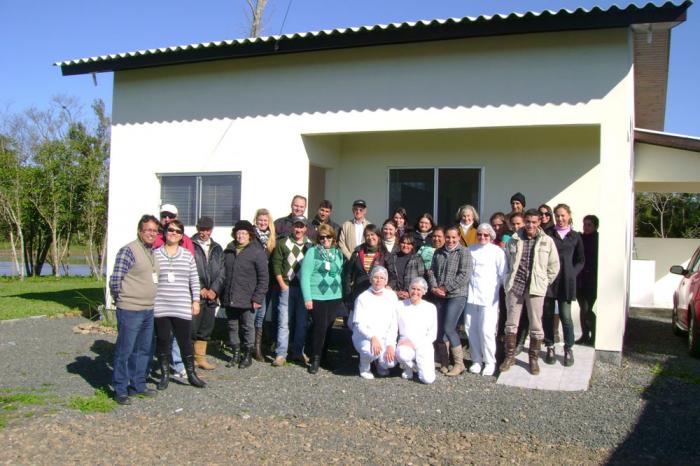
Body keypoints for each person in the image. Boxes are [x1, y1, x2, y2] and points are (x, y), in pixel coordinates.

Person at [499, 209, 560, 376]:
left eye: (534, 222)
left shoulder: (547, 241)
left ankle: (533, 359)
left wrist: (544, 282)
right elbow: (506, 263)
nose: (531, 225)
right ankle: (509, 357)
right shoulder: (514, 240)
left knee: (536, 325)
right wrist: (507, 281)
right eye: (528, 222)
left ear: (539, 222)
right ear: (524, 221)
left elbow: (554, 266)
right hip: (516, 286)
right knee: (511, 324)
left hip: (535, 289)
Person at [109, 214, 161, 405]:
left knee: (144, 350)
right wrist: (121, 299)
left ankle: (138, 385)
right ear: (140, 231)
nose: (151, 233)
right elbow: (115, 280)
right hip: (130, 309)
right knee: (125, 350)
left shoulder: (152, 251)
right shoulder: (129, 250)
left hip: (148, 309)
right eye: (148, 230)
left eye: (155, 230)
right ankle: (120, 389)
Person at [153, 219, 205, 390]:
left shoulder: (187, 255)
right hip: (161, 305)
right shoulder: (155, 254)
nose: (173, 233)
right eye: (170, 230)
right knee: (163, 341)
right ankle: (165, 375)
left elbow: (194, 280)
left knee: (185, 341)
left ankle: (191, 374)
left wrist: (195, 301)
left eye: (177, 231)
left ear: (182, 236)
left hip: (181, 305)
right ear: (165, 232)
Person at [152, 203, 194, 380]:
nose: (167, 219)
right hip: (161, 301)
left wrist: (195, 299)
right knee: (161, 338)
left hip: (180, 301)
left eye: (170, 216)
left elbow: (192, 273)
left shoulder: (187, 243)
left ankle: (180, 365)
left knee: (181, 338)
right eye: (164, 216)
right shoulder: (154, 241)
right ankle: (163, 372)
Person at [222, 220, 270, 369]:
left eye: (244, 233)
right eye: (238, 233)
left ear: (250, 235)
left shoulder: (257, 252)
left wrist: (257, 298)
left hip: (248, 298)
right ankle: (236, 353)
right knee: (232, 326)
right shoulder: (229, 250)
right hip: (230, 296)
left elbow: (264, 278)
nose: (241, 235)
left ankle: (247, 354)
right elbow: (223, 274)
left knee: (248, 327)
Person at [543, 204, 585, 367]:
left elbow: (581, 260)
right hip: (549, 281)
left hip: (567, 282)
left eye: (562, 215)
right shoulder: (548, 234)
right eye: (557, 216)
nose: (560, 219)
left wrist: (572, 273)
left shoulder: (575, 236)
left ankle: (568, 348)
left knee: (566, 316)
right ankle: (550, 346)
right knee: (547, 315)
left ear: (569, 216)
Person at [300, 223, 345, 374]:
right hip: (317, 296)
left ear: (333, 238)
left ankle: (325, 357)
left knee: (329, 328)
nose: (325, 240)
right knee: (320, 327)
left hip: (335, 296)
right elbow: (305, 276)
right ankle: (315, 358)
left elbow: (340, 274)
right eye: (322, 237)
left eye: (328, 237)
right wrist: (307, 298)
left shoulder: (338, 253)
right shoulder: (312, 252)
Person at [429, 226, 474, 376]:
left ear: (459, 237)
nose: (450, 240)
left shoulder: (464, 252)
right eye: (448, 237)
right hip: (439, 295)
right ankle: (444, 362)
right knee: (440, 329)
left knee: (449, 328)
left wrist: (446, 288)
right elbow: (432, 271)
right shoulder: (438, 252)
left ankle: (459, 364)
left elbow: (464, 275)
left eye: (453, 237)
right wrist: (435, 287)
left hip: (456, 295)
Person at [465, 224, 508, 376]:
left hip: (489, 298)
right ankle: (476, 360)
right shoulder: (469, 249)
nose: (482, 237)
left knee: (487, 331)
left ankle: (490, 361)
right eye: (480, 235)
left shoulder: (497, 252)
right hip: (471, 297)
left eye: (486, 235)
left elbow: (503, 275)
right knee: (471, 329)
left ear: (491, 236)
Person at [271, 216, 312, 367]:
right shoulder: (283, 243)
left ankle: (298, 352)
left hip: (303, 289)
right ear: (292, 227)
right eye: (296, 226)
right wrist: (282, 284)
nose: (298, 229)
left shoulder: (310, 246)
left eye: (301, 227)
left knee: (301, 322)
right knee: (284, 321)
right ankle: (281, 354)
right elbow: (276, 264)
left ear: (306, 228)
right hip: (287, 287)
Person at [351, 266, 398, 379]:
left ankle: (380, 364)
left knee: (390, 362)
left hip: (385, 337)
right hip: (365, 337)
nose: (378, 280)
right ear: (371, 279)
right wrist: (372, 337)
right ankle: (364, 367)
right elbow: (359, 324)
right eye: (376, 277)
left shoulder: (391, 296)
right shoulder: (363, 297)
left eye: (382, 278)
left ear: (386, 281)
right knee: (370, 351)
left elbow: (394, 323)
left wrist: (391, 344)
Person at [190, 216, 224, 371]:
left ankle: (200, 358)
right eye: (202, 229)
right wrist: (200, 288)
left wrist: (214, 290)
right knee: (192, 327)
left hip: (211, 294)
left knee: (206, 328)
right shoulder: (190, 245)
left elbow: (223, 271)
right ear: (197, 229)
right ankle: (188, 359)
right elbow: (189, 269)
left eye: (207, 229)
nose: (205, 233)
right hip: (196, 294)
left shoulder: (217, 248)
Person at [395, 277, 438, 384]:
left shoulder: (430, 307)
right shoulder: (400, 305)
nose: (415, 292)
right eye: (413, 288)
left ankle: (420, 367)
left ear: (424, 291)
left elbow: (433, 335)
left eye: (419, 290)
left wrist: (415, 344)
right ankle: (409, 367)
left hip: (424, 344)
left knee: (428, 380)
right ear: (409, 289)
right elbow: (393, 328)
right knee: (402, 353)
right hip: (405, 342)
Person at [343, 225, 390, 310]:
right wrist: (348, 292)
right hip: (359, 292)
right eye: (367, 235)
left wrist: (388, 287)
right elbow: (348, 274)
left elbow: (392, 274)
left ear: (378, 236)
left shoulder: (385, 254)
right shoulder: (357, 253)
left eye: (373, 234)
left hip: (378, 294)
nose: (370, 237)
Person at [252, 208, 276, 361]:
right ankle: (248, 346)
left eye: (265, 221)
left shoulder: (272, 239)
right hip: (252, 282)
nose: (262, 223)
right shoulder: (251, 237)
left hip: (267, 283)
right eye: (260, 220)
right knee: (251, 315)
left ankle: (257, 348)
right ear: (256, 220)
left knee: (261, 314)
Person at [576, 214, 599, 345]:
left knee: (588, 308)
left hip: (592, 280)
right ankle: (585, 335)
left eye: (589, 224)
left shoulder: (598, 239)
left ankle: (593, 335)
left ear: (595, 226)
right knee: (582, 307)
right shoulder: (580, 238)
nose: (586, 227)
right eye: (585, 224)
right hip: (580, 279)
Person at [390, 233, 426, 301]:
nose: (405, 246)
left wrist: (410, 292)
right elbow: (390, 276)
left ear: (412, 246)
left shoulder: (417, 259)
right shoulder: (393, 257)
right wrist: (396, 292)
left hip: (412, 296)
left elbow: (421, 279)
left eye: (409, 244)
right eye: (403, 243)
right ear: (399, 244)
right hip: (395, 295)